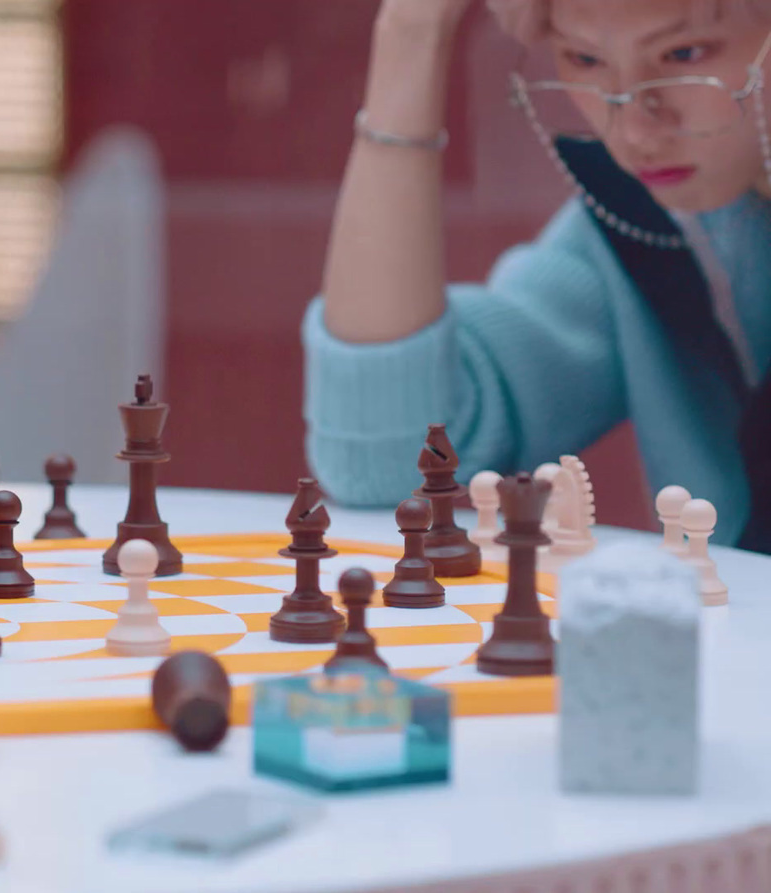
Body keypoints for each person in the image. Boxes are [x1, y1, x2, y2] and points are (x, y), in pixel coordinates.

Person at [304, 0, 771, 550]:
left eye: (684, 53)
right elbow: (382, 462)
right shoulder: (639, 228)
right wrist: (413, 28)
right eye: (584, 59)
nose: (635, 124)